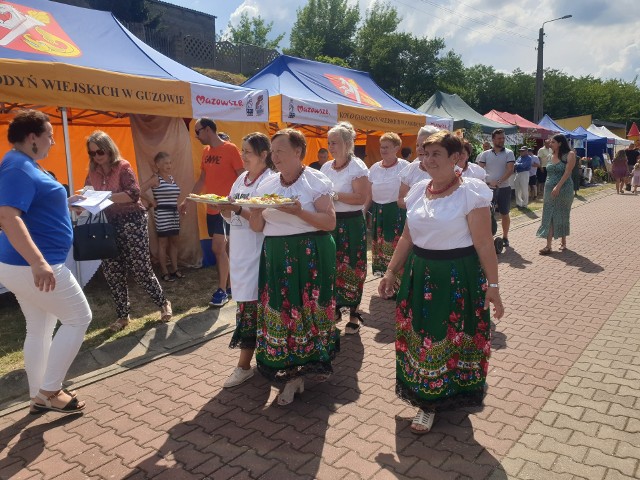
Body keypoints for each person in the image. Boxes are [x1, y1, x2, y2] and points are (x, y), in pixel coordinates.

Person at [378, 130, 504, 434]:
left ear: (456, 158)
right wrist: (392, 270)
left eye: (436, 154)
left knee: (447, 335)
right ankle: (427, 396)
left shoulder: (471, 192)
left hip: (457, 275)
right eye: (425, 153)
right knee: (421, 336)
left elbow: (484, 244)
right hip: (419, 272)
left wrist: (494, 288)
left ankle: (432, 402)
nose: (428, 159)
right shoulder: (418, 189)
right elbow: (408, 236)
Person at [0, 109, 91, 414]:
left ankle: (38, 394)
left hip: (24, 265)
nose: (53, 141)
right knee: (79, 317)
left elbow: (33, 209)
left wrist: (66, 207)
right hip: (34, 265)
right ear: (32, 137)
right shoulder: (18, 167)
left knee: (38, 327)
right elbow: (7, 216)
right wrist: (39, 263)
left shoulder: (24, 164)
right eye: (50, 135)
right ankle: (50, 391)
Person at [249, 128, 339, 406]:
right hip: (276, 254)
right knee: (284, 311)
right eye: (272, 152)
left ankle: (304, 370)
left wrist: (299, 211)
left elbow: (330, 222)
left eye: (280, 151)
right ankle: (291, 374)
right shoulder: (266, 184)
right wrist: (250, 209)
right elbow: (257, 227)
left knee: (307, 312)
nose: (274, 157)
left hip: (310, 254)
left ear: (298, 152)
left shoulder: (315, 180)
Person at [85, 131, 172, 331]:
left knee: (141, 268)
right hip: (109, 223)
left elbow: (133, 194)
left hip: (133, 219)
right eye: (92, 154)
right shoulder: (92, 172)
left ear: (109, 149)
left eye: (100, 152)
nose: (97, 157)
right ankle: (123, 316)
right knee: (113, 271)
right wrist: (80, 201)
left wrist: (103, 196)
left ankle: (163, 303)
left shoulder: (122, 167)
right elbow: (88, 193)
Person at [218, 133, 274, 388]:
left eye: (248, 151)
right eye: (242, 150)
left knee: (254, 308)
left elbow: (265, 220)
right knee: (246, 304)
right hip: (240, 249)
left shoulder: (270, 181)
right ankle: (255, 361)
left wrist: (238, 209)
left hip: (259, 250)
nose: (242, 155)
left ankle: (244, 365)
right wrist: (225, 211)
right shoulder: (241, 178)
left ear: (264, 155)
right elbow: (233, 211)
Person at [180, 118, 244, 307]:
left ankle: (222, 291)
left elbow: (242, 177)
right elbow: (202, 180)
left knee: (217, 248)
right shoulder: (206, 152)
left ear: (208, 130)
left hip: (226, 209)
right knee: (224, 249)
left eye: (197, 132)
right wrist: (189, 199)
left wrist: (232, 201)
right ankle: (232, 286)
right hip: (211, 208)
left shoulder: (231, 149)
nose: (196, 136)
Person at [322, 122, 370, 335]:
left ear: (348, 143)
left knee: (352, 266)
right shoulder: (325, 167)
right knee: (331, 266)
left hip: (351, 223)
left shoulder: (357, 167)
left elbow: (361, 197)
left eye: (335, 143)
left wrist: (335, 196)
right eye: (329, 142)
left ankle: (353, 313)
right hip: (331, 222)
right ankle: (335, 309)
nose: (331, 146)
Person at [369, 132, 410, 277]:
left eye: (387, 147)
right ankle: (385, 280)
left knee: (396, 245)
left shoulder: (405, 166)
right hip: (378, 211)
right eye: (381, 147)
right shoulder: (374, 167)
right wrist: (363, 211)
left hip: (396, 211)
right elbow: (369, 193)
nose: (383, 150)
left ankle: (397, 280)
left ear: (396, 148)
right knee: (380, 246)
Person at [140, 152, 183, 282]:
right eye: (165, 163)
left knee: (174, 242)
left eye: (170, 162)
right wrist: (150, 201)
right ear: (158, 165)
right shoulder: (155, 178)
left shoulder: (171, 178)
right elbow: (139, 190)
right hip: (162, 214)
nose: (169, 165)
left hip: (174, 213)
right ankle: (164, 271)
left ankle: (175, 269)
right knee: (163, 243)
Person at [537, 134, 576, 254]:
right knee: (549, 214)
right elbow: (548, 173)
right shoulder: (549, 155)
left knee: (562, 213)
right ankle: (548, 246)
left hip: (564, 188)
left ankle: (563, 241)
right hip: (549, 190)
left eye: (553, 142)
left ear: (559, 143)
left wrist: (558, 186)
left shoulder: (570, 155)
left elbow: (568, 172)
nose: (550, 144)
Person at [477, 129, 515, 247]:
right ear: (493, 140)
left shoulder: (509, 153)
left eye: (503, 138)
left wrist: (498, 182)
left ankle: (505, 237)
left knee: (504, 213)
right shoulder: (485, 154)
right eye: (499, 138)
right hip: (488, 189)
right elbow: (479, 170)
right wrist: (487, 182)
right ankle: (488, 237)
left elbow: (510, 170)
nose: (502, 140)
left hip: (504, 188)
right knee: (487, 214)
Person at [397, 126, 439, 209]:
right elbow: (400, 200)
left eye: (423, 145)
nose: (419, 149)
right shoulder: (410, 169)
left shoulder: (448, 170)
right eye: (417, 145)